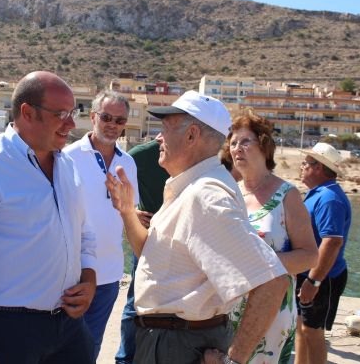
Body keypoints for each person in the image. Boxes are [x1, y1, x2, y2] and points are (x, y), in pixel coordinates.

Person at [105, 90, 290, 364]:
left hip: (178, 345)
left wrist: (234, 361)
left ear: (192, 135)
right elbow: (150, 254)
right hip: (169, 340)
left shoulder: (205, 197)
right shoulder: (188, 189)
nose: (158, 138)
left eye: (165, 129)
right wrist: (127, 212)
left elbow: (272, 282)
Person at [0, 71, 97, 364]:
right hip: (8, 332)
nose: (72, 124)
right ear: (27, 112)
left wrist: (89, 279)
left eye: (73, 113)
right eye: (61, 113)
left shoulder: (68, 167)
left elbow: (84, 234)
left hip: (69, 328)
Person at [220, 112, 318, 364]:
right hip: (226, 310)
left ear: (263, 145)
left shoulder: (287, 195)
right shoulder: (229, 193)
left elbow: (309, 255)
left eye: (245, 141)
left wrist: (261, 262)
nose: (236, 149)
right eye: (232, 143)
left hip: (271, 314)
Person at [64, 90, 139, 359]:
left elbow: (130, 212)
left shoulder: (128, 163)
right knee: (62, 347)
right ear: (93, 116)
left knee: (90, 348)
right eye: (106, 117)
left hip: (109, 274)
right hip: (73, 273)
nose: (112, 125)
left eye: (120, 120)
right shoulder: (67, 157)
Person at [295, 142, 352, 364]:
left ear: (318, 168)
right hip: (310, 275)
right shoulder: (319, 194)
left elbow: (332, 242)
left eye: (305, 163)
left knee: (313, 332)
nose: (301, 167)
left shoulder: (329, 198)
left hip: (322, 277)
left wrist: (313, 281)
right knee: (301, 328)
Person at [115, 139, 169, 364]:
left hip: (182, 244)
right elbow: (109, 178)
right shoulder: (145, 154)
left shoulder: (201, 157)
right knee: (135, 303)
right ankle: (125, 358)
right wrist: (131, 211)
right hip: (148, 240)